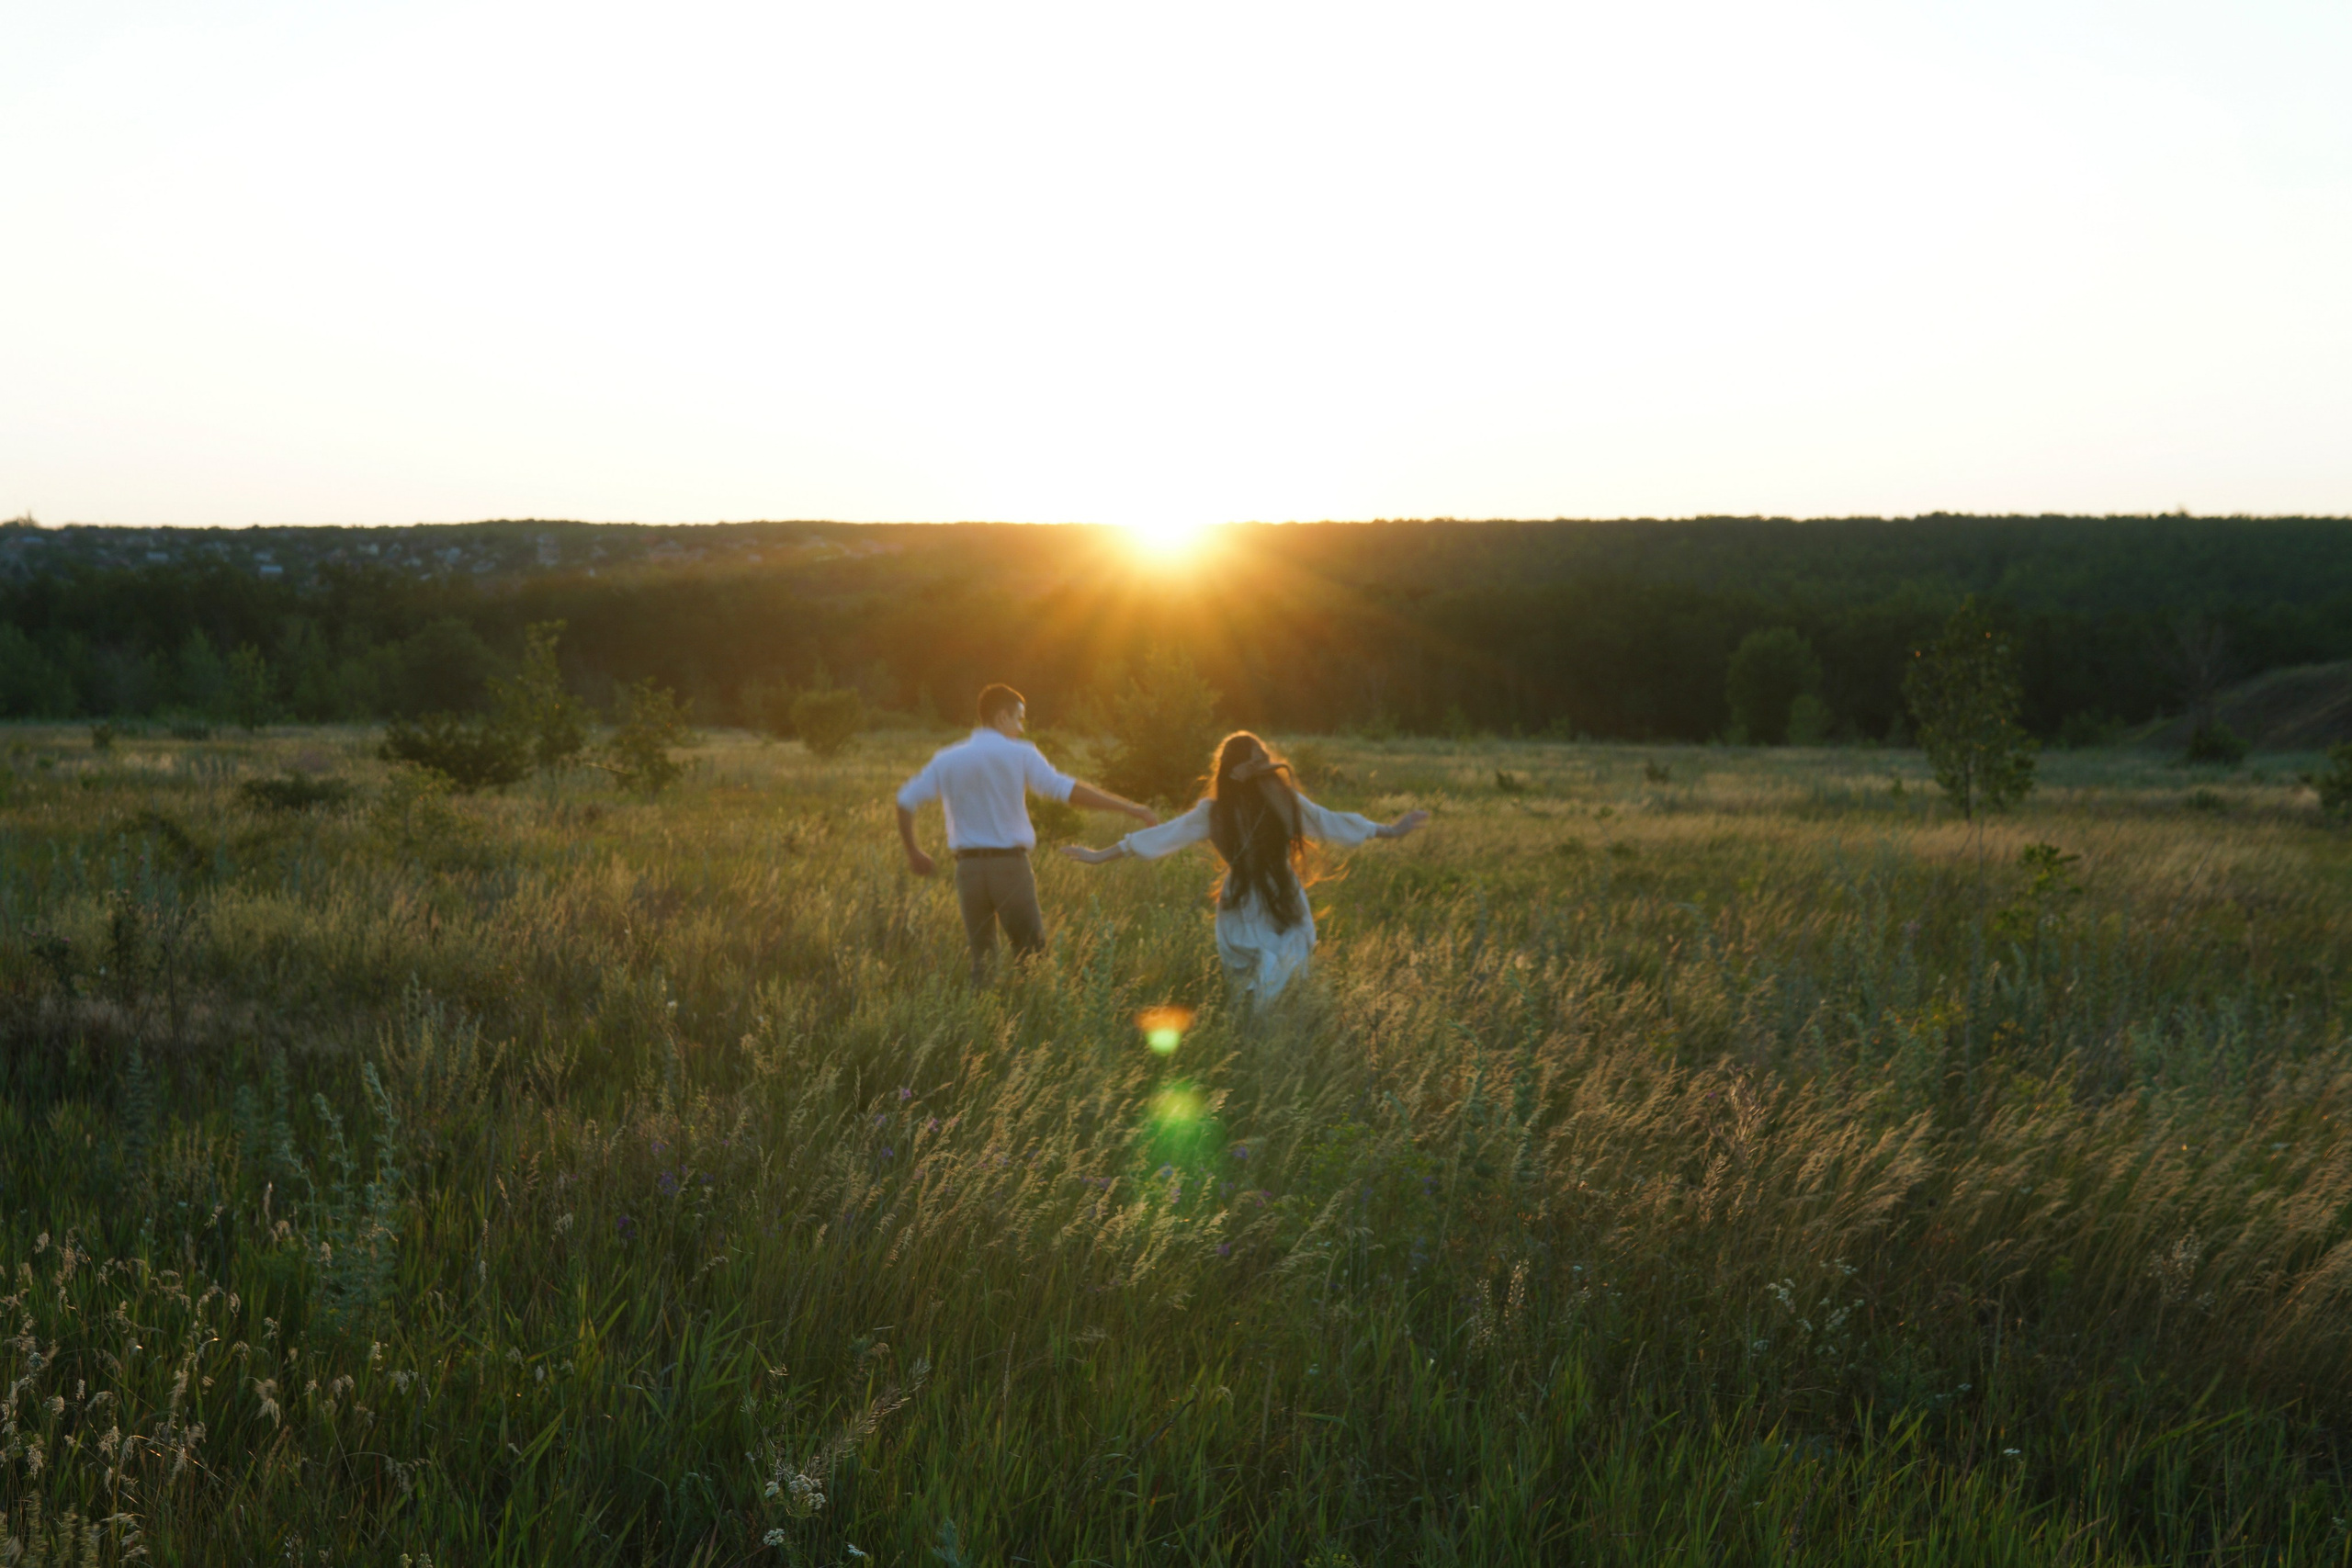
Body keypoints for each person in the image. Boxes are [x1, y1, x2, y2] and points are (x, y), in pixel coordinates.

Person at [1059, 731, 1429, 1002]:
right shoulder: (1213, 813)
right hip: (1242, 903)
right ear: (1236, 767)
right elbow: (1158, 839)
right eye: (1254, 759)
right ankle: (1255, 1044)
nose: (1263, 765)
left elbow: (1330, 821)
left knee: (1289, 963)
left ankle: (1275, 1038)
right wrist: (1096, 855)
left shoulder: (1282, 800)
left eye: (1262, 757)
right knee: (1258, 972)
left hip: (1283, 896)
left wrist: (1392, 831)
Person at [897, 683, 1158, 981]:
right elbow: (1066, 790)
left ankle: (985, 1022)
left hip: (967, 871)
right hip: (1009, 868)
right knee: (1032, 958)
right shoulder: (1020, 754)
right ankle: (1028, 1022)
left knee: (983, 962)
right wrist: (1128, 808)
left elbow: (905, 800)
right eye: (1019, 719)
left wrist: (913, 851)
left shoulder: (948, 758)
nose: (1021, 729)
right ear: (1002, 717)